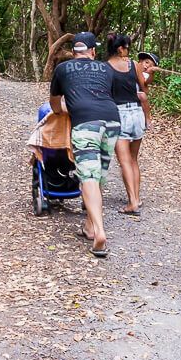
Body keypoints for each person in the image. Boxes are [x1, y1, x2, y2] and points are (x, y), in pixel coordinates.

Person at [49, 31, 121, 257]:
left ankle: (99, 232)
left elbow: (55, 104)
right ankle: (90, 226)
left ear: (74, 51)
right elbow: (107, 95)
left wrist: (65, 111)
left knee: (88, 176)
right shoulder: (107, 68)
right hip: (112, 120)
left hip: (85, 123)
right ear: (93, 51)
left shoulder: (62, 69)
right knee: (99, 174)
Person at [105, 33, 148, 215]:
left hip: (119, 114)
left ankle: (132, 202)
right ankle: (136, 198)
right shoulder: (135, 66)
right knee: (133, 160)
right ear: (120, 48)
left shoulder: (106, 67)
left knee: (124, 162)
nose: (128, 51)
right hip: (137, 114)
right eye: (127, 47)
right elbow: (143, 89)